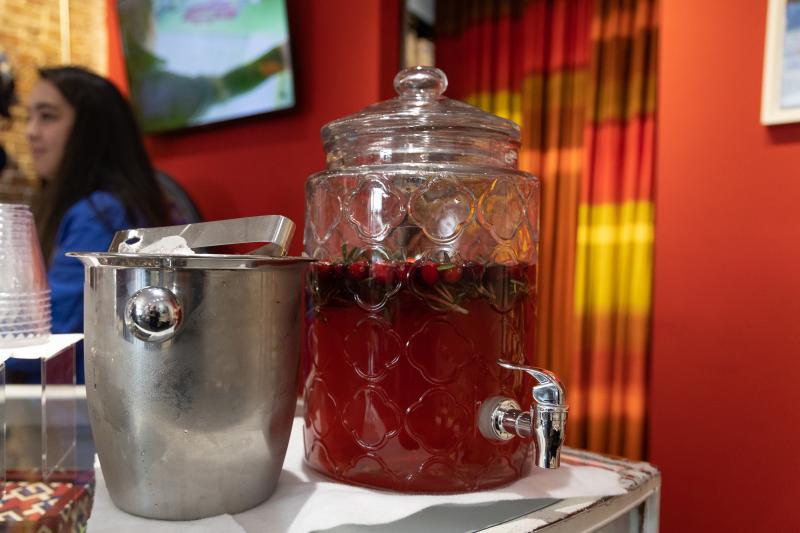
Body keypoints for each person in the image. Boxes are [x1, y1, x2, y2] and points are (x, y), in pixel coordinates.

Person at [24, 66, 174, 382]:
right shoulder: (106, 205)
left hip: (84, 399)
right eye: (29, 117)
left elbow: (52, 334)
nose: (31, 131)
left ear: (90, 131)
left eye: (47, 116)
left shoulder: (99, 214)